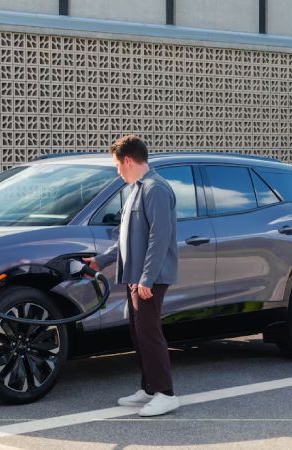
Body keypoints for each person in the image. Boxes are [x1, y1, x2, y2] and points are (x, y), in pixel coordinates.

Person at [83, 135, 180, 417]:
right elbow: (126, 238)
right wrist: (101, 261)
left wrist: (148, 278)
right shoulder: (135, 189)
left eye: (117, 165)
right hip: (135, 276)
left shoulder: (156, 190)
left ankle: (166, 394)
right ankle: (149, 388)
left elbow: (159, 238)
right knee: (138, 333)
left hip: (149, 277)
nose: (117, 171)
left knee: (149, 333)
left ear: (127, 160)